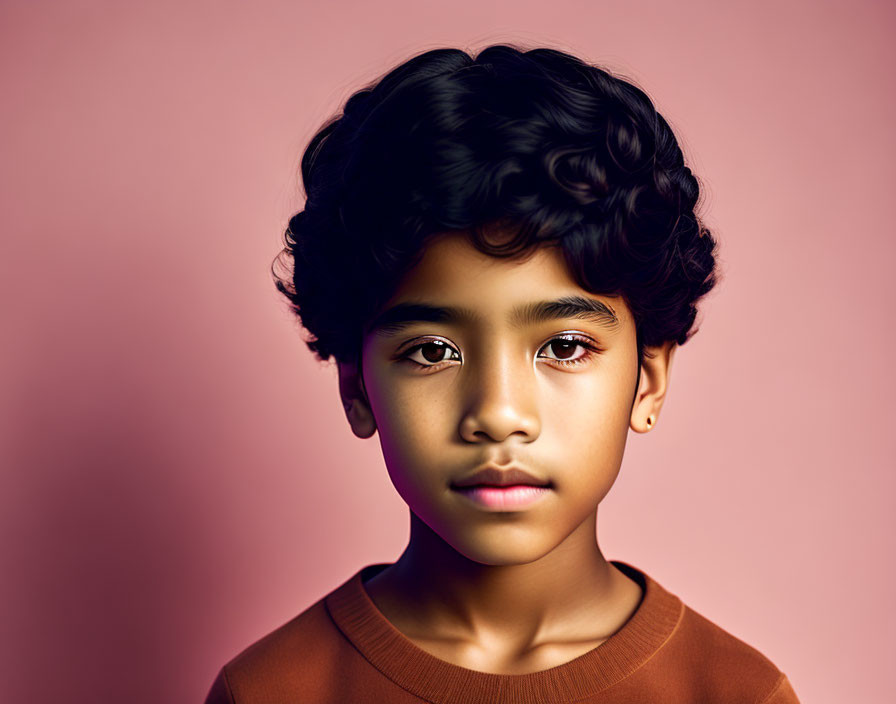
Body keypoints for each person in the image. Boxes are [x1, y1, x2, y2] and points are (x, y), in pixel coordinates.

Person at [203, 44, 801, 703]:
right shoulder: (269, 692)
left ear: (649, 378)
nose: (498, 412)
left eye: (566, 346)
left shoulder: (735, 694)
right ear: (356, 384)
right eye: (432, 351)